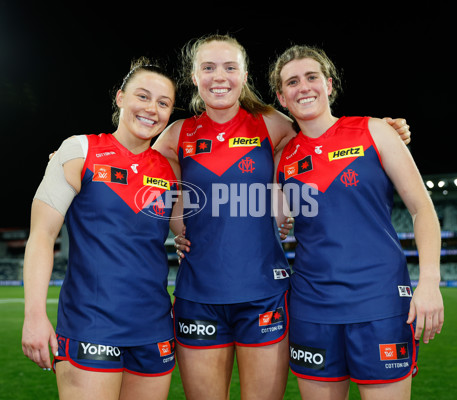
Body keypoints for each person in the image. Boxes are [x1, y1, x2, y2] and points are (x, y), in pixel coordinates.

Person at [156, 34, 412, 400]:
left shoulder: (271, 123)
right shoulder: (177, 134)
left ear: (244, 75)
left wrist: (383, 131)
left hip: (265, 293)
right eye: (208, 68)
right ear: (194, 77)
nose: (219, 76)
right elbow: (138, 166)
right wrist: (177, 223)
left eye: (230, 67)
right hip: (199, 293)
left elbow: (322, 138)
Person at [270, 45, 444, 400]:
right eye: (292, 82)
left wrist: (429, 283)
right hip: (311, 308)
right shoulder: (282, 158)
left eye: (312, 77)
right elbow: (273, 221)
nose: (303, 87)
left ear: (329, 85)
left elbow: (422, 210)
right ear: (282, 98)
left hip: (379, 302)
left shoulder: (376, 132)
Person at [21, 58, 180, 400]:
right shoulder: (79, 150)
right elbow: (41, 237)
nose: (152, 109)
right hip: (90, 324)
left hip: (155, 328)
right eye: (143, 96)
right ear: (120, 98)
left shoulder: (170, 170)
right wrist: (34, 316)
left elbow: (193, 231)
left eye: (163, 103)